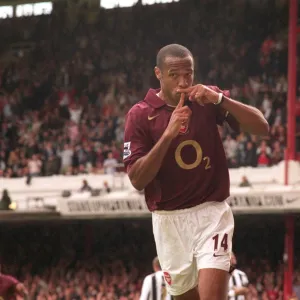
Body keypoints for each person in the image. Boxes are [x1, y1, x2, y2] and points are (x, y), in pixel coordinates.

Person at [123, 44, 269, 300]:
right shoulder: (139, 115)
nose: (183, 82)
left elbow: (262, 127)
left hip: (211, 213)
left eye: (188, 74)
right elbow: (137, 179)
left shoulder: (206, 99)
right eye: (174, 75)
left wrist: (220, 99)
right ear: (158, 73)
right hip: (168, 221)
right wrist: (168, 133)